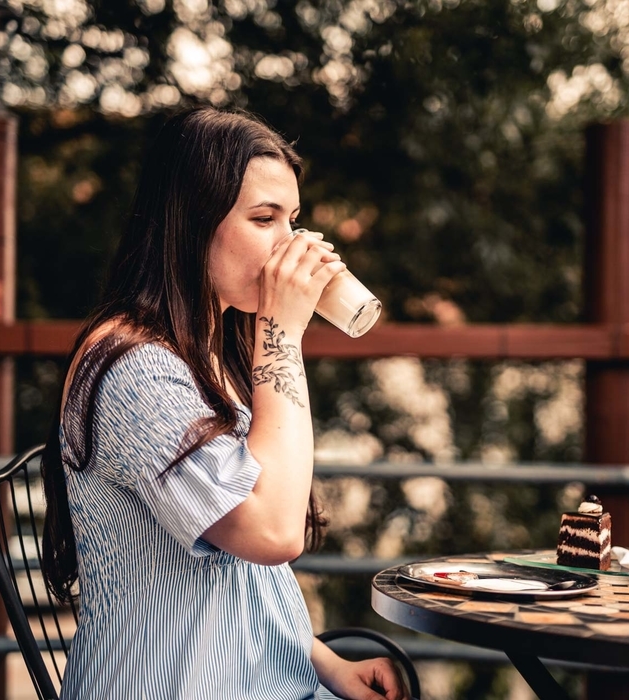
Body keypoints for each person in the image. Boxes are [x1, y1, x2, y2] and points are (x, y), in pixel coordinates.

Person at [38, 107, 407, 700]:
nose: (290, 245)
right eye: (264, 219)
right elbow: (271, 532)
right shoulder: (137, 370)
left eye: (292, 219)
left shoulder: (207, 348)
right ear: (191, 223)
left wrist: (324, 663)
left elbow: (239, 581)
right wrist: (281, 335)